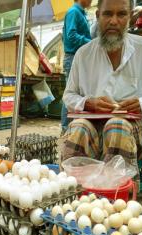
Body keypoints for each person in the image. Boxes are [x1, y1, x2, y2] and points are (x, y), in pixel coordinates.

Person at [62, 0, 142, 169]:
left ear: (130, 17)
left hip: (128, 128)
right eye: (107, 14)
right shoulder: (83, 54)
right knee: (79, 128)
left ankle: (116, 194)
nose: (113, 21)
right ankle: (75, 190)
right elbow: (69, 95)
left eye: (121, 14)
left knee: (116, 127)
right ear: (98, 16)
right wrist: (88, 103)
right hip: (91, 125)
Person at [61, 0, 92, 134]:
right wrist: (91, 43)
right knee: (71, 94)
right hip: (73, 57)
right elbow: (71, 35)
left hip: (78, 57)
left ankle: (71, 127)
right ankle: (65, 128)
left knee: (77, 93)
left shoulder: (81, 13)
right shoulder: (73, 12)